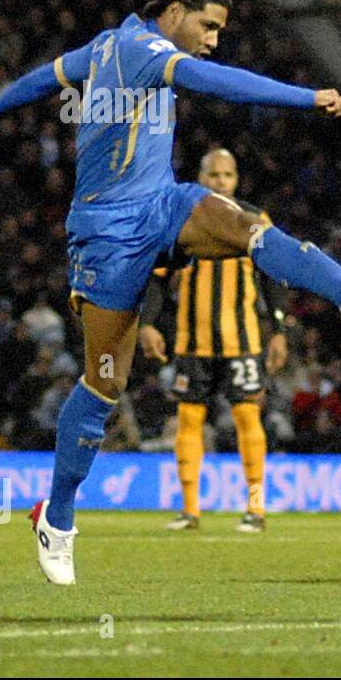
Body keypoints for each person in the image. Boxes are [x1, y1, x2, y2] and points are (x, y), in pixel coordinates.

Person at [0, 0, 341, 585]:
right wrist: (307, 97)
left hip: (163, 205)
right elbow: (219, 82)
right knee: (104, 385)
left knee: (246, 226)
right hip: (107, 234)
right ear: (174, 12)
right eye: (208, 25)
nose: (213, 39)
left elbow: (45, 76)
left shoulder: (106, 45)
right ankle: (56, 518)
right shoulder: (143, 49)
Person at [137, 148, 290, 534]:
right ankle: (190, 511)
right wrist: (147, 324)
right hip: (193, 342)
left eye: (227, 175)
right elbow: (156, 277)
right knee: (189, 419)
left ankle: (255, 509)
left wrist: (279, 330)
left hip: (243, 340)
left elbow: (274, 275)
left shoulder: (254, 219)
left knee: (246, 415)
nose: (220, 181)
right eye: (213, 174)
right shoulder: (179, 220)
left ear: (235, 179)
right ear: (200, 178)